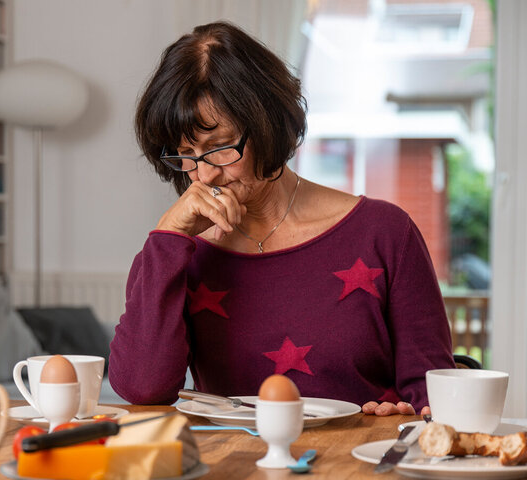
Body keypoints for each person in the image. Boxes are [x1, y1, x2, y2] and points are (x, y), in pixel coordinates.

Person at [109, 21, 455, 416]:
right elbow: (141, 387)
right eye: (185, 153)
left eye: (220, 147)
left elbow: (436, 395)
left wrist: (404, 415)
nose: (202, 176)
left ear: (268, 125)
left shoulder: (385, 233)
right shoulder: (178, 254)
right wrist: (168, 235)